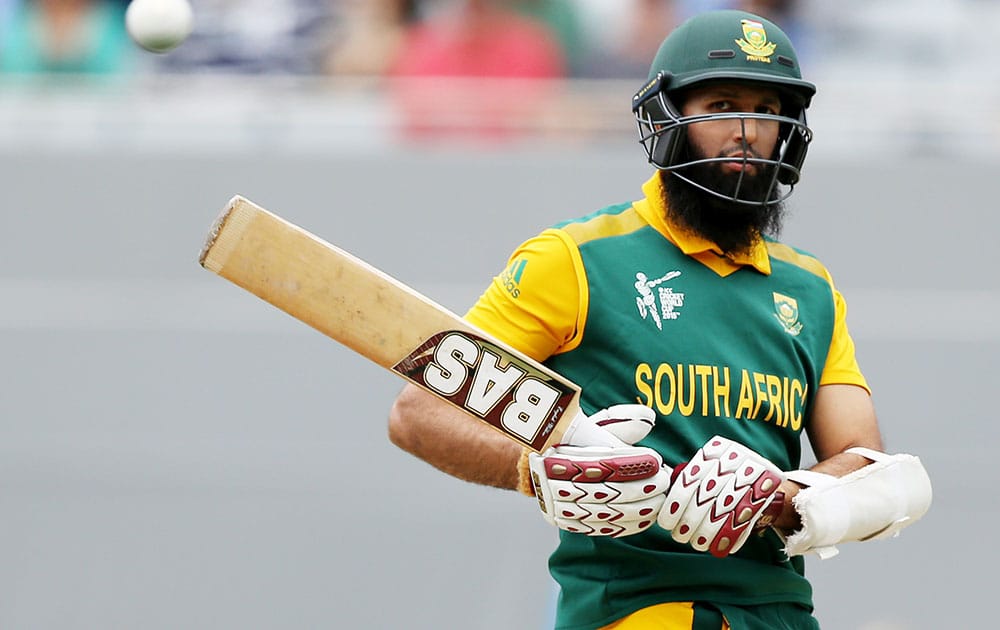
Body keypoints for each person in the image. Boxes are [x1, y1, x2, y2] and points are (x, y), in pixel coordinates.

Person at [388, 9, 932, 630]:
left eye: (767, 109)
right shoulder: (576, 260)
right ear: (665, 116)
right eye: (723, 105)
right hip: (633, 611)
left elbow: (863, 461)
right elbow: (419, 413)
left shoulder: (810, 288)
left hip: (780, 616)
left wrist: (779, 499)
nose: (749, 131)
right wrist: (537, 472)